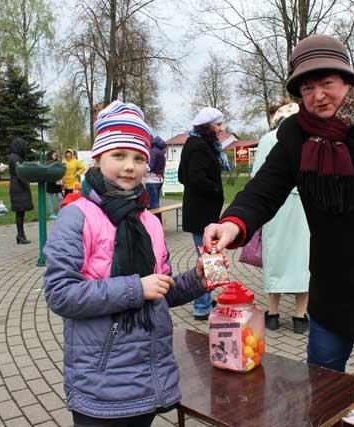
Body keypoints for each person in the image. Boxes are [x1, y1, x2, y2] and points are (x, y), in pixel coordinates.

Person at [202, 34, 354, 427]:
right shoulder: (294, 135)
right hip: (333, 280)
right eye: (307, 88)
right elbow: (264, 190)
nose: (318, 96)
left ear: (348, 81)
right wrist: (233, 222)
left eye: (327, 83)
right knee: (321, 373)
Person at [43, 100, 213, 427]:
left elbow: (159, 291)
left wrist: (196, 280)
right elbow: (60, 294)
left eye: (138, 158)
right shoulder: (76, 216)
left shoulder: (148, 221)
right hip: (101, 383)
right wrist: (136, 288)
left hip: (147, 378)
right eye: (118, 155)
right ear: (98, 158)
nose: (129, 167)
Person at [252, 101, 311, 334]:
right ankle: (299, 316)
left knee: (274, 258)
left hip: (274, 207)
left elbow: (257, 178)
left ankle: (273, 314)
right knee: (302, 260)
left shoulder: (267, 140)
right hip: (302, 208)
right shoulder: (309, 139)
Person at [178, 107, 226, 320]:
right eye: (218, 124)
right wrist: (215, 189)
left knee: (210, 256)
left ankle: (206, 299)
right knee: (208, 258)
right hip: (202, 214)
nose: (221, 128)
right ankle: (201, 306)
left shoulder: (194, 143)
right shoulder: (199, 146)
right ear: (207, 126)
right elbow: (195, 177)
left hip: (201, 212)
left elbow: (183, 176)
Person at [9, 137, 34, 244]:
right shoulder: (15, 158)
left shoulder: (16, 157)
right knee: (20, 211)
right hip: (18, 186)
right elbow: (19, 172)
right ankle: (20, 235)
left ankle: (20, 234)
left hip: (17, 185)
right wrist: (27, 181)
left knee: (20, 212)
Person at [144, 136, 167, 221]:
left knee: (153, 206)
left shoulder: (153, 151)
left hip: (151, 180)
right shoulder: (161, 151)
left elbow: (150, 167)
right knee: (156, 204)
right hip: (159, 180)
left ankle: (155, 225)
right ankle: (159, 224)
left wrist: (142, 166)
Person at [45, 150, 64, 219]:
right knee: (51, 198)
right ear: (50, 155)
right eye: (54, 155)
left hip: (57, 183)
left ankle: (60, 212)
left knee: (60, 197)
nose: (55, 156)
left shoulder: (57, 162)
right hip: (50, 183)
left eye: (56, 155)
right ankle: (52, 213)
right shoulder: (47, 163)